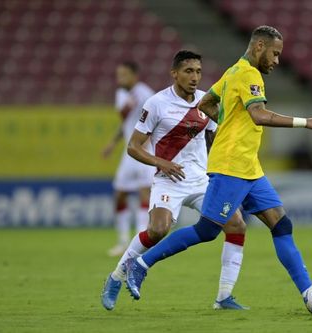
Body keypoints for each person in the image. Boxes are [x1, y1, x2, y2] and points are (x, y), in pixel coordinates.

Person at [124, 26, 312, 308]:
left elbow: (207, 102)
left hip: (249, 167)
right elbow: (259, 116)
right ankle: (141, 263)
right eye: (274, 54)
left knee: (281, 224)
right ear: (259, 46)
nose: (276, 61)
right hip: (231, 165)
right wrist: (304, 122)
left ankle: (309, 293)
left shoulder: (234, 71)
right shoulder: (248, 74)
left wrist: (228, 124)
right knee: (207, 231)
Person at [101, 50, 248, 311]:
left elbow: (214, 140)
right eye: (189, 71)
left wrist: (223, 173)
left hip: (202, 180)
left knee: (236, 224)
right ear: (175, 74)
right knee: (158, 230)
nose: (195, 77)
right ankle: (116, 276)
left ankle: (224, 296)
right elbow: (134, 147)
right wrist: (162, 163)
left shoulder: (207, 101)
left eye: (199, 72)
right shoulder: (156, 103)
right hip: (168, 180)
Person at [103, 61, 156, 256]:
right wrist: (112, 143)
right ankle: (123, 241)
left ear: (135, 75)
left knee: (145, 192)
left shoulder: (146, 95)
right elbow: (126, 123)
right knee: (119, 194)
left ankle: (140, 241)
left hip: (144, 150)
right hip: (128, 152)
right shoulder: (121, 95)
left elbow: (153, 122)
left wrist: (151, 148)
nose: (120, 79)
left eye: (124, 75)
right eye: (118, 75)